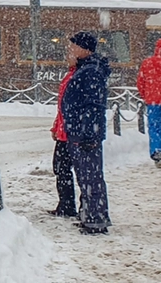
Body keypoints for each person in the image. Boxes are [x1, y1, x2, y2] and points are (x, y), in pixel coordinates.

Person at [62, 31, 111, 234]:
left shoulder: (90, 71)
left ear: (84, 49)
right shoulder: (86, 69)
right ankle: (90, 214)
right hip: (80, 132)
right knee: (86, 176)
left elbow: (93, 106)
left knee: (90, 176)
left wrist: (88, 134)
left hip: (84, 134)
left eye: (74, 46)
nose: (71, 50)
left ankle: (95, 218)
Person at [49, 52, 78, 217]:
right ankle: (66, 204)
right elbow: (63, 107)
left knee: (64, 168)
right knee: (61, 168)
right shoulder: (72, 75)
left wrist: (60, 127)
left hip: (69, 133)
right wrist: (56, 126)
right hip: (65, 131)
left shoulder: (75, 77)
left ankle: (68, 205)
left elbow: (68, 108)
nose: (68, 55)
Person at [137, 37, 161, 167]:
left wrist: (145, 95)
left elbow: (141, 82)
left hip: (153, 101)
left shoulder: (147, 63)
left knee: (155, 127)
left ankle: (157, 151)